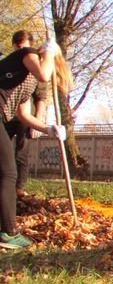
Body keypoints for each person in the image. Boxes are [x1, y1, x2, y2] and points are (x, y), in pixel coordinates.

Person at [0, 36, 65, 249]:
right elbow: (44, 74)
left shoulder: (28, 83)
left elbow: (24, 116)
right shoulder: (26, 54)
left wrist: (49, 129)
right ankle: (8, 233)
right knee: (8, 173)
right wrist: (48, 51)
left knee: (5, 172)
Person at [6, 31, 50, 197]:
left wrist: (39, 121)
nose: (21, 49)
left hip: (24, 116)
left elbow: (40, 97)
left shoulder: (34, 65)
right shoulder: (11, 64)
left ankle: (19, 188)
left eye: (24, 46)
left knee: (21, 152)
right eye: (18, 46)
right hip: (7, 114)